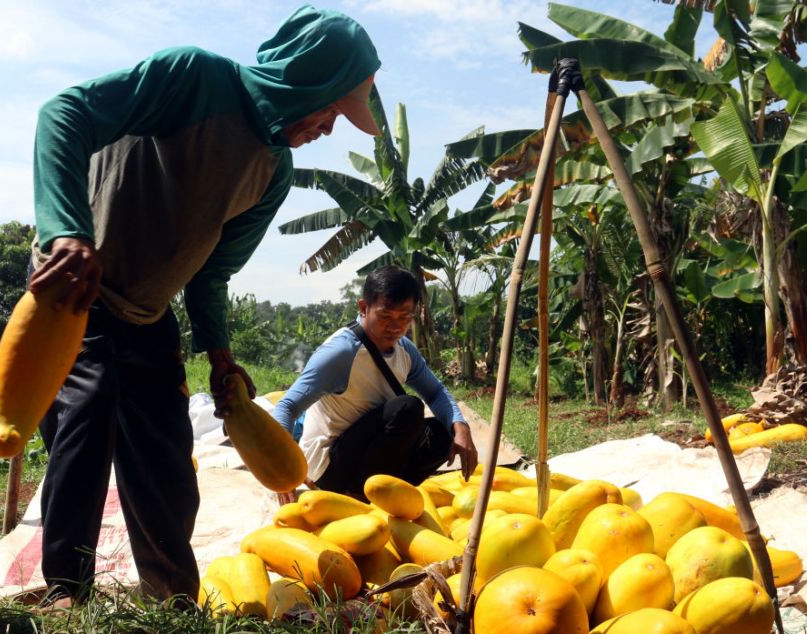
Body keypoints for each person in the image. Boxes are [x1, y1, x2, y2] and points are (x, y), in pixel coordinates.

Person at [26, 5, 382, 607]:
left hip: (147, 313)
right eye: (331, 108)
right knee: (89, 415)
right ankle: (67, 594)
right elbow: (63, 115)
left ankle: (170, 599)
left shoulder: (274, 172)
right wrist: (67, 231)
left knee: (166, 462)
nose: (329, 126)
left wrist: (220, 356)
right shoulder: (194, 79)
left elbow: (211, 272)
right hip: (75, 291)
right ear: (305, 80)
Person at [272, 266, 478, 503]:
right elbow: (287, 406)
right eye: (386, 316)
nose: (396, 326)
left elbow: (435, 392)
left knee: (443, 435)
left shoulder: (404, 350)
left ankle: (385, 493)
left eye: (405, 318)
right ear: (363, 308)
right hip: (330, 466)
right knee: (408, 409)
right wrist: (283, 472)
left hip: (369, 453)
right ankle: (358, 497)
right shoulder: (341, 353)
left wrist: (461, 427)